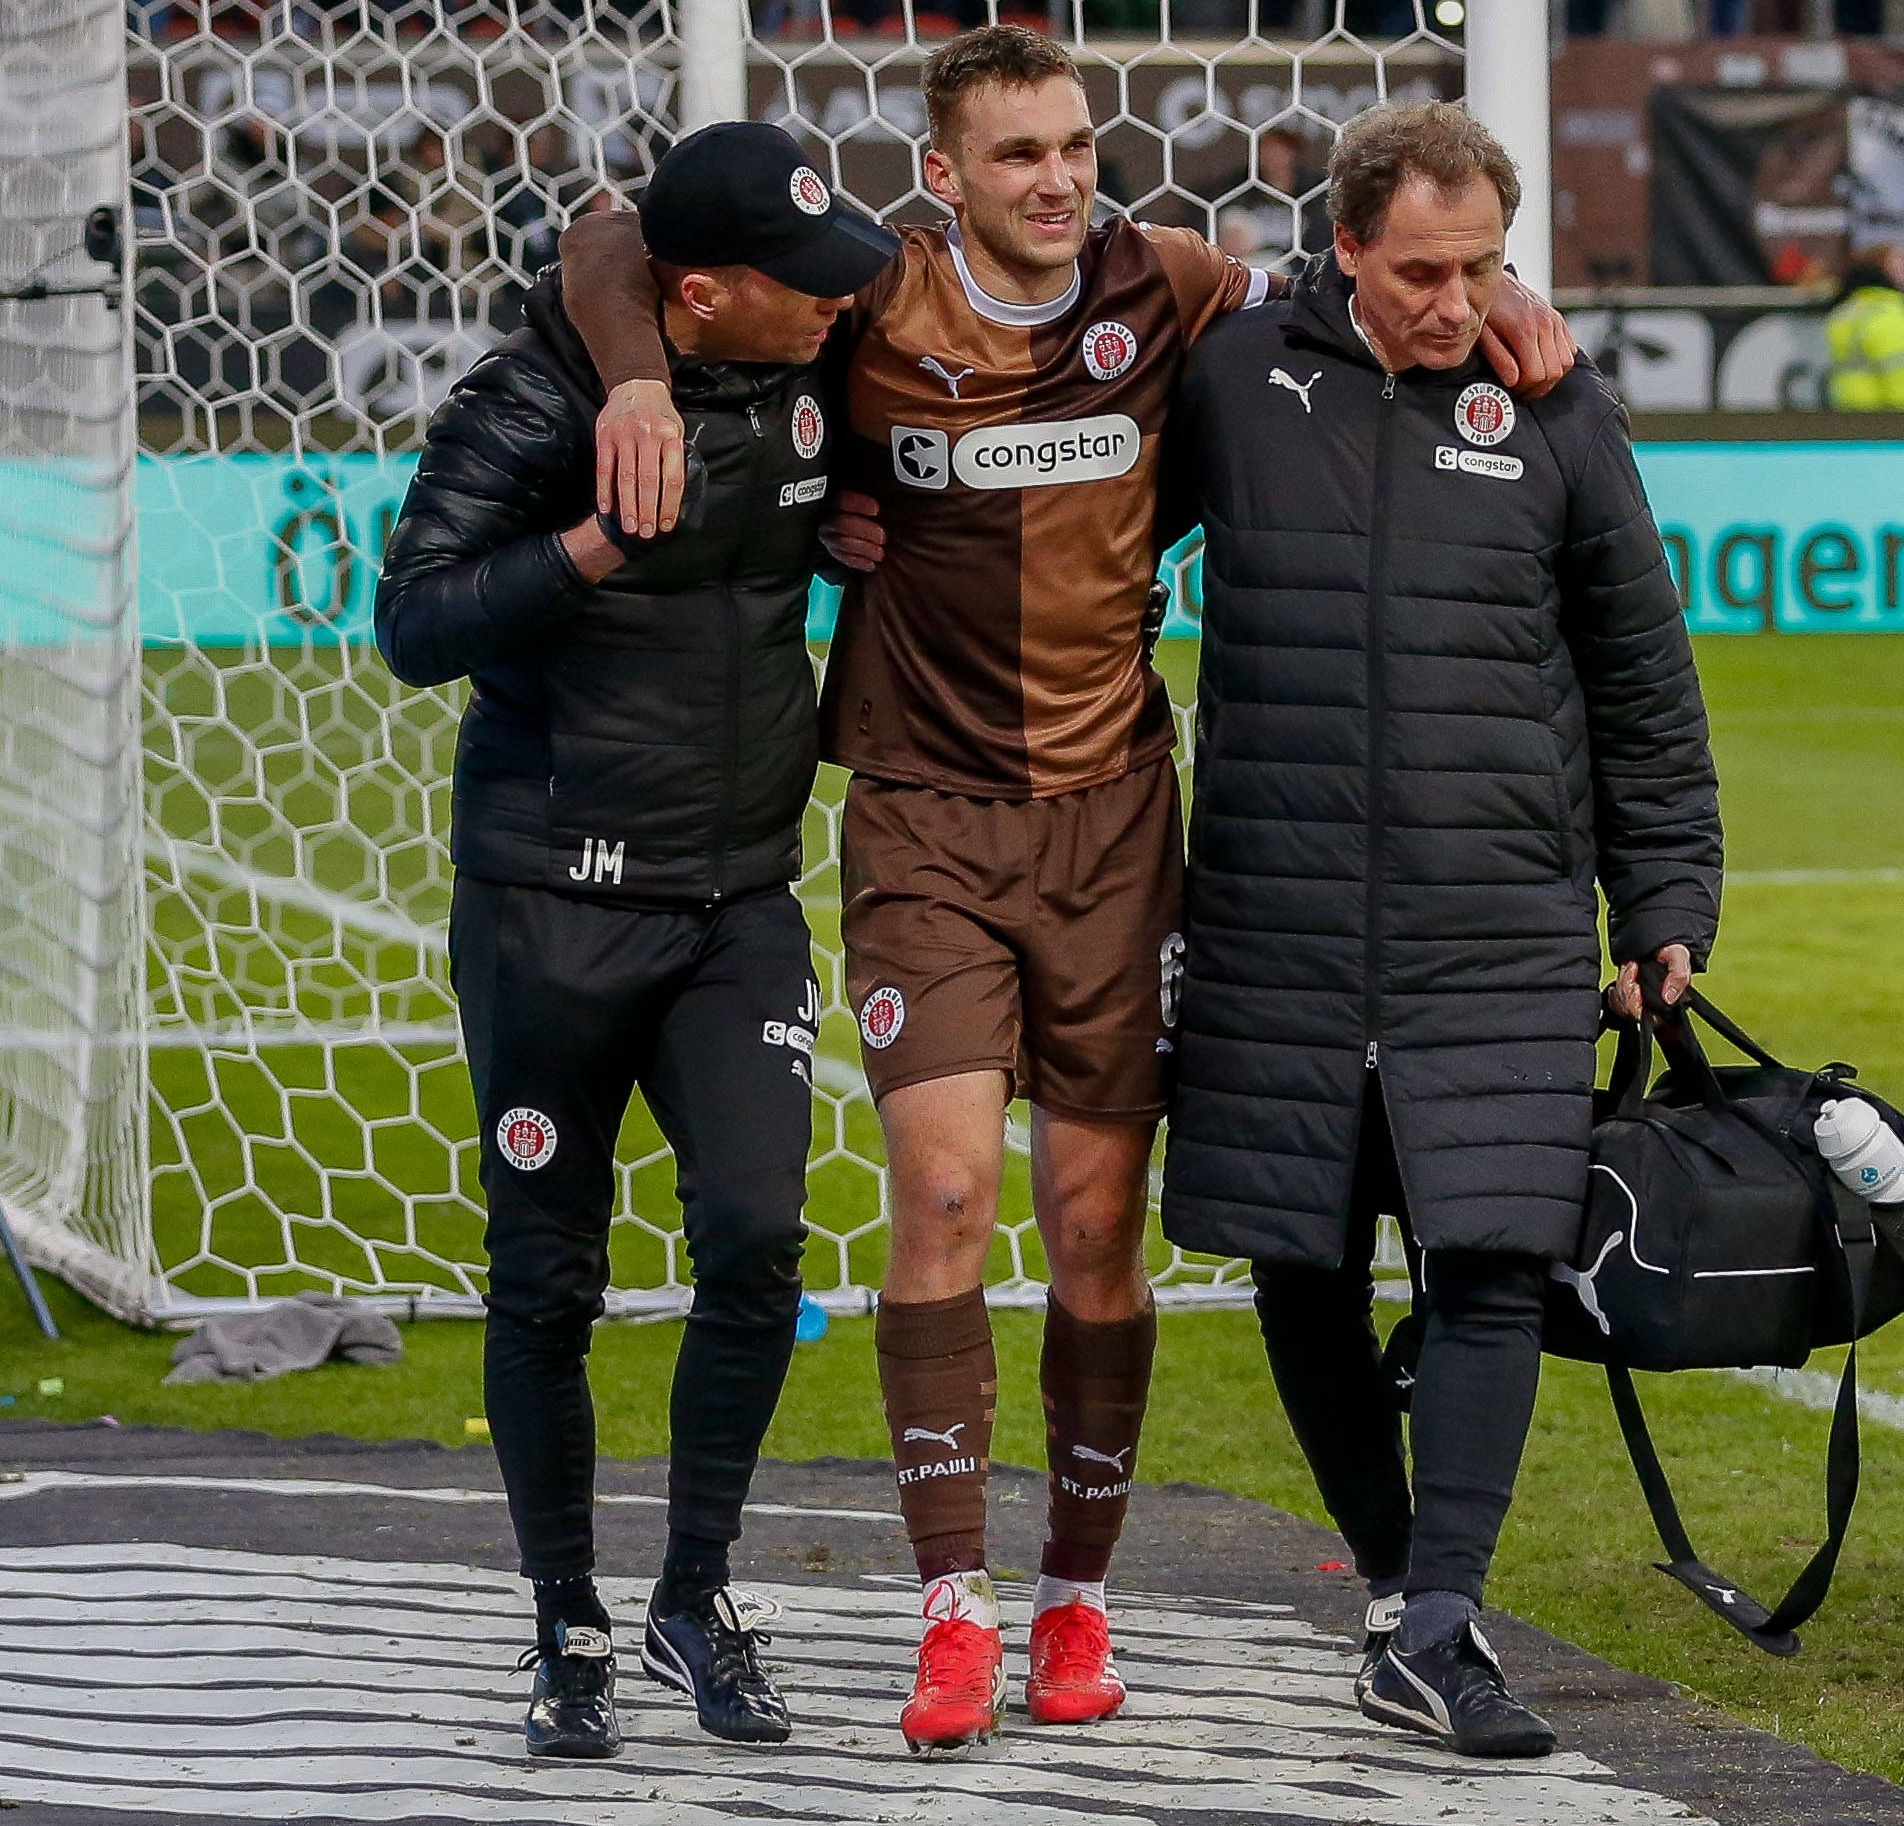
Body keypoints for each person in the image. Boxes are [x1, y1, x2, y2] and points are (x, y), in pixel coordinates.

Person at [559, 26, 1574, 1753]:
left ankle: (1073, 1602)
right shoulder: (868, 298)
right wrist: (648, 388)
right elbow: (607, 237)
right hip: (925, 823)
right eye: (1015, 152)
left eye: (1074, 145)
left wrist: (1506, 312)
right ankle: (950, 1608)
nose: (1056, 178)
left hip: (1114, 826)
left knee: (1099, 1226)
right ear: (939, 175)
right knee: (943, 1199)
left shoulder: (1170, 285)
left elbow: (1352, 304)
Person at [1158, 98, 1722, 1758]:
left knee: (1489, 1255)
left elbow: (1639, 667)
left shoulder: (1552, 403)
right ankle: (1392, 1585)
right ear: (1339, 245)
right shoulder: (1233, 379)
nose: (1451, 298)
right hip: (1272, 913)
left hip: (1497, 920)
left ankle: (1442, 1618)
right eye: (1417, 268)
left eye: (1480, 264)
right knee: (1299, 1266)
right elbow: (1085, 554)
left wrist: (1664, 896)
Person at [373, 122, 898, 1760]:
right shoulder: (531, 401)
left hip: (737, 900)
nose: (831, 306)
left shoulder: (808, 362)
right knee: (547, 1280)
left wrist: (841, 536)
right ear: (700, 293)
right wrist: (588, 547)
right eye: (794, 286)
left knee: (754, 1239)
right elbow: (410, 621)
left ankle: (691, 1591)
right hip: (549, 905)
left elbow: (607, 229)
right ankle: (563, 1613)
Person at [1826, 248, 1904, 412]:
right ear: (1882, 269)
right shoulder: (1888, 311)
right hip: (1899, 418)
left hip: (1852, 411)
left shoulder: (1844, 313)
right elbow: (1902, 375)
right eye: (1901, 265)